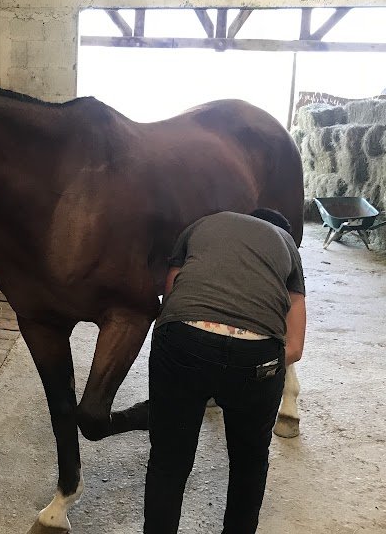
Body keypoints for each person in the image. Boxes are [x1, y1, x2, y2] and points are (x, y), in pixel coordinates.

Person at [144, 208, 306, 534]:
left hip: (184, 338)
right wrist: (259, 372)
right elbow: (295, 346)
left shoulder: (202, 224)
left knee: (169, 461)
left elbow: (172, 292)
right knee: (250, 464)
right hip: (256, 352)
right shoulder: (287, 243)